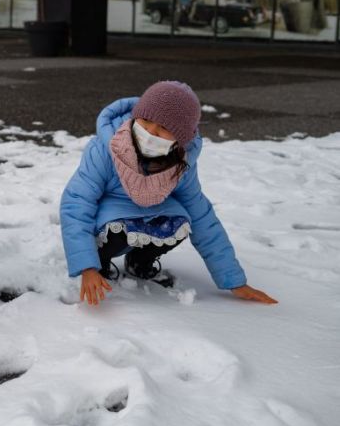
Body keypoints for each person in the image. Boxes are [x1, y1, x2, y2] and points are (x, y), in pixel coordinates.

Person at [59, 81, 277, 306]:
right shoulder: (106, 149)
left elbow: (202, 216)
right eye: (145, 120)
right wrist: (87, 266)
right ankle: (100, 262)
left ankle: (140, 261)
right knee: (114, 232)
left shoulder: (181, 163)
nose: (150, 132)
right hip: (107, 217)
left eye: (164, 128)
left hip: (146, 212)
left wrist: (234, 280)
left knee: (182, 219)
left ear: (181, 138)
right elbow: (77, 203)